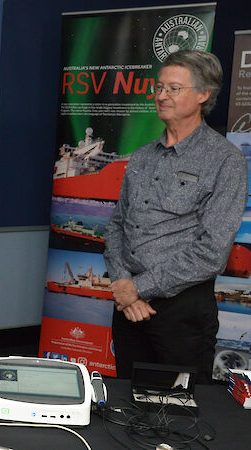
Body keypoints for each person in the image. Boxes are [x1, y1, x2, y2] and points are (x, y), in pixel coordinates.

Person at [104, 50, 247, 383]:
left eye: (173, 88)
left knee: (179, 416)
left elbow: (211, 252)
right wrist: (126, 287)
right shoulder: (141, 156)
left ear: (202, 95)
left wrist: (137, 288)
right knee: (130, 405)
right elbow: (116, 227)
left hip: (181, 313)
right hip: (129, 309)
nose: (161, 95)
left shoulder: (224, 160)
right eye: (159, 87)